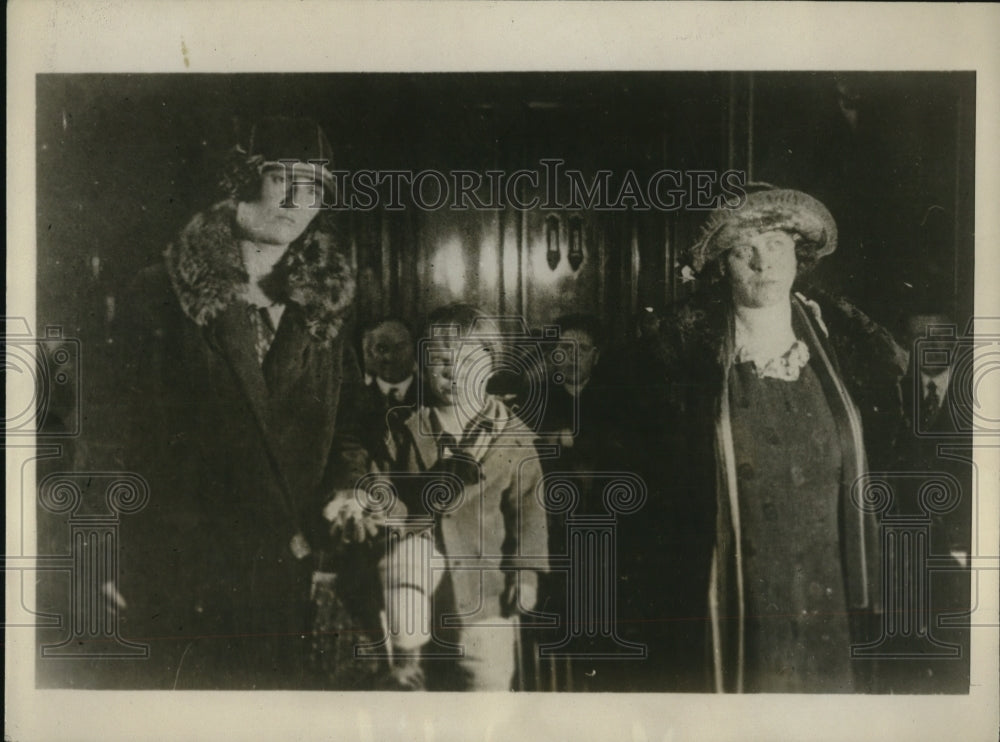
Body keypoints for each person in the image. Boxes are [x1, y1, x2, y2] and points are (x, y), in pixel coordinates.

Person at [115, 116, 368, 689]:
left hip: (294, 570)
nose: (301, 200)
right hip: (186, 576)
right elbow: (120, 441)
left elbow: (351, 427)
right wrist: (111, 558)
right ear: (239, 179)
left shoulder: (325, 302)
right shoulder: (160, 293)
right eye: (285, 178)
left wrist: (349, 487)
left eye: (317, 186)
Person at [652, 184, 907, 693]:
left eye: (776, 246)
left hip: (828, 577)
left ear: (797, 256)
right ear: (723, 265)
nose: (762, 263)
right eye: (744, 249)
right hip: (739, 585)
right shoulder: (683, 356)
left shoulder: (847, 346)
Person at [379, 303, 549, 690]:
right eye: (440, 360)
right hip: (417, 600)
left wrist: (526, 576)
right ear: (421, 365)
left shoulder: (513, 436)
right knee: (417, 703)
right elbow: (385, 486)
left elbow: (530, 513)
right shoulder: (405, 428)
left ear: (492, 365)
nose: (453, 371)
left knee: (484, 694)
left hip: (485, 600)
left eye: (468, 361)